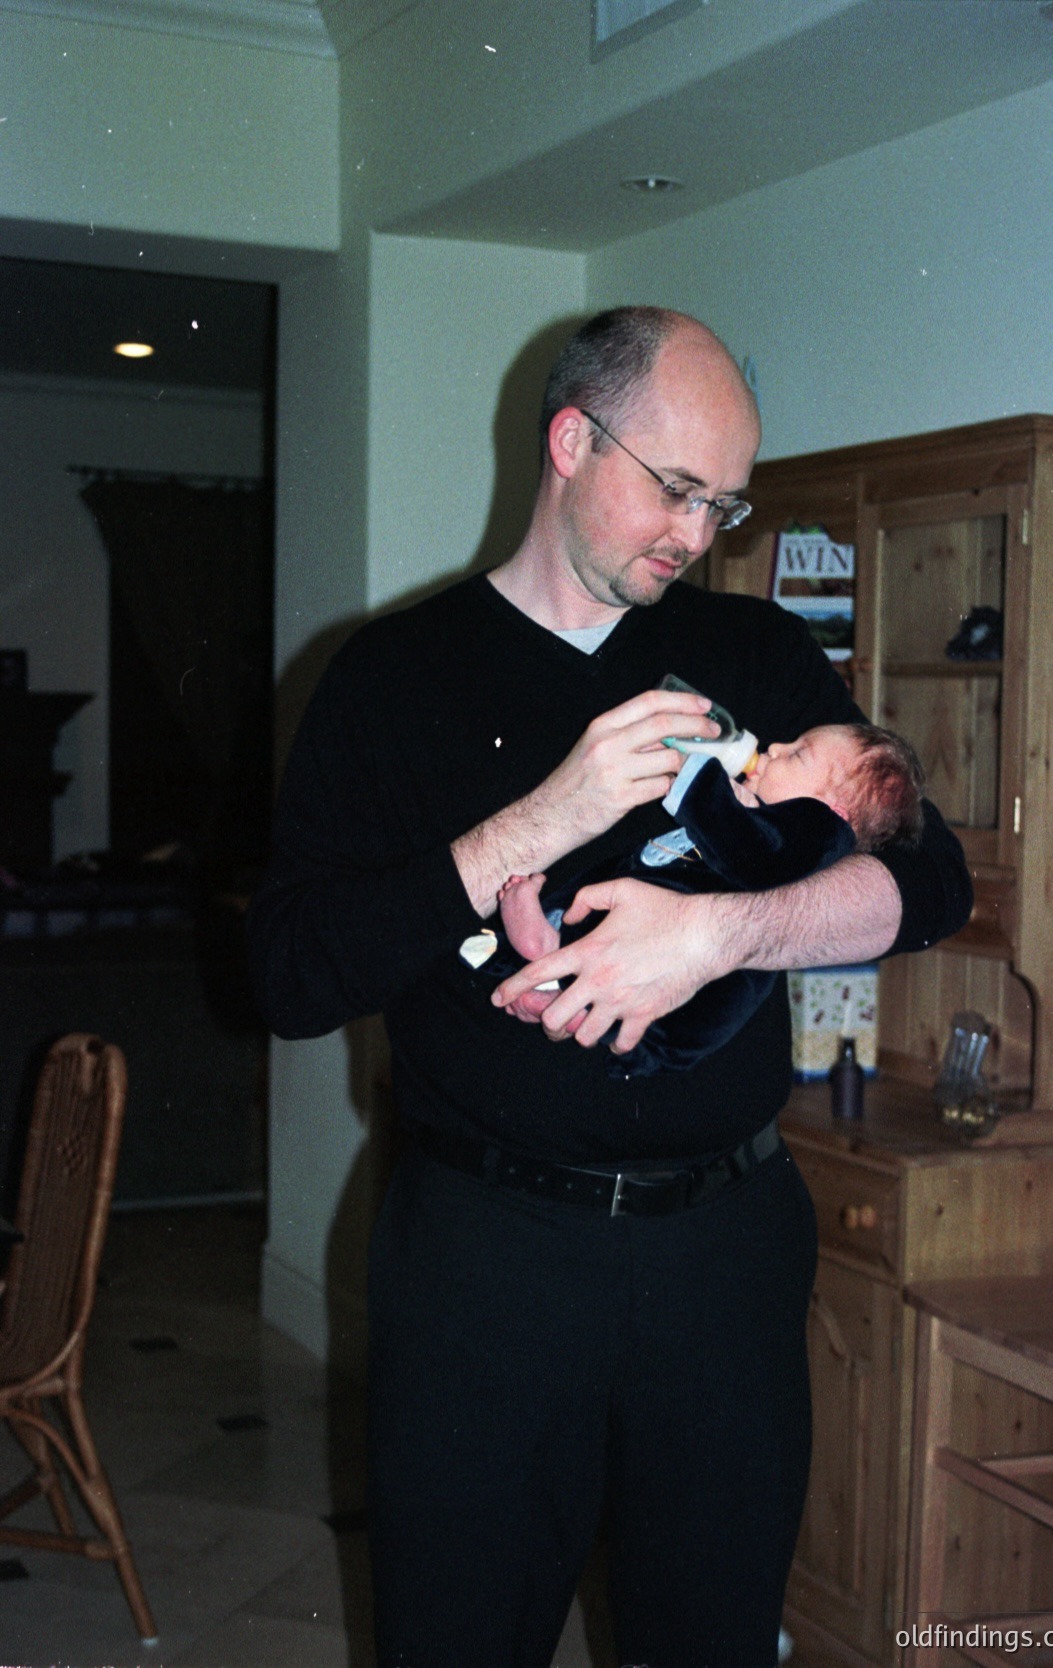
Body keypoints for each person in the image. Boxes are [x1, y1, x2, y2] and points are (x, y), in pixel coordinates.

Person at [246, 306, 972, 1668]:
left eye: (728, 504)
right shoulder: (390, 679)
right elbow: (286, 975)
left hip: (725, 1253)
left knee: (706, 1638)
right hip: (484, 1263)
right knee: (459, 1636)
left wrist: (721, 937)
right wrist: (533, 822)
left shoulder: (753, 657)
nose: (698, 536)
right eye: (676, 489)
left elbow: (929, 889)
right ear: (572, 440)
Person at [473, 720, 924, 1078]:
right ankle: (543, 975)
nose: (776, 748)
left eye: (798, 753)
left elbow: (753, 853)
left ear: (835, 812)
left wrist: (695, 774)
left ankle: (541, 957)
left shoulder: (818, 832)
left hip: (696, 982)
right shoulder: (781, 821)